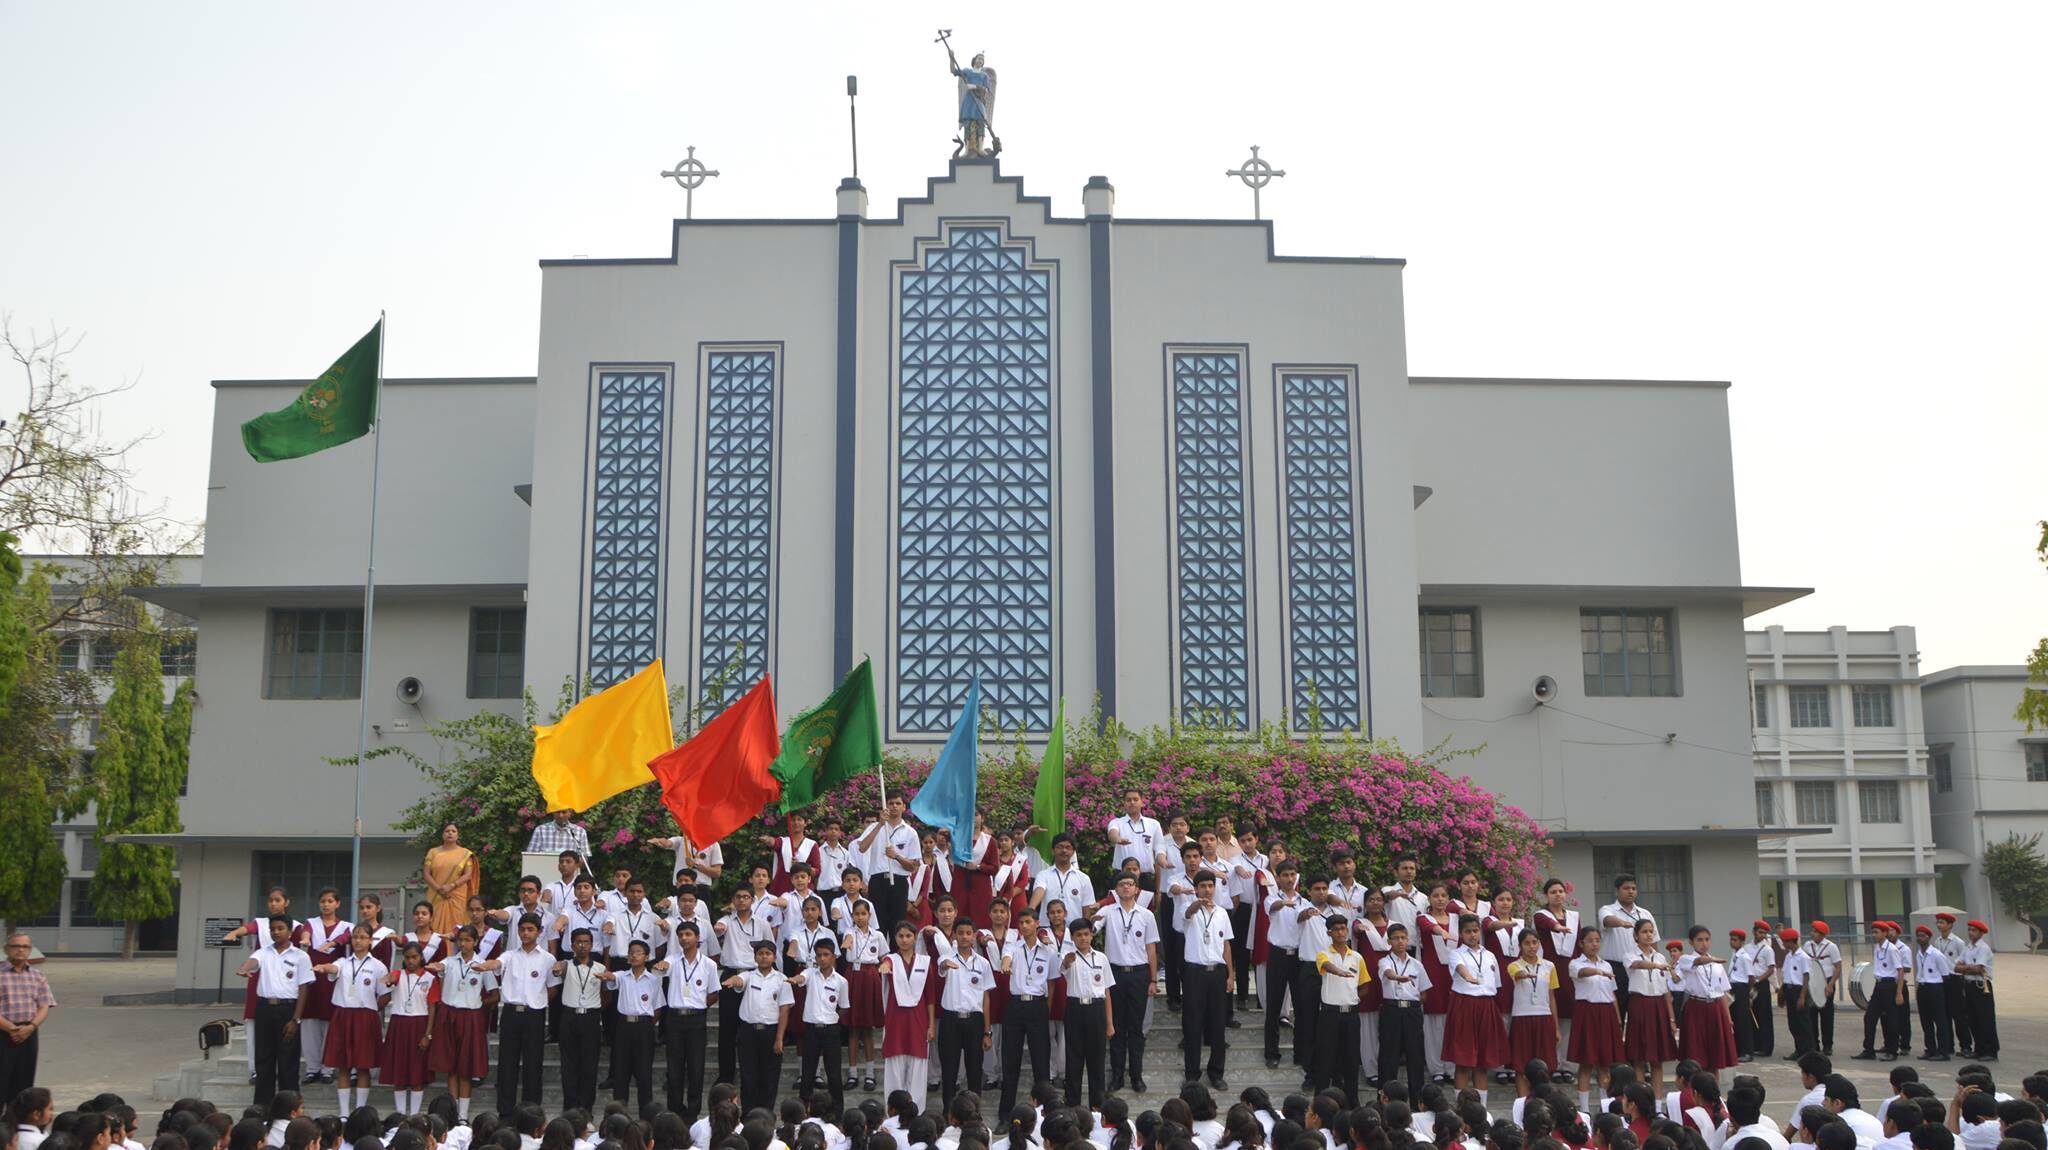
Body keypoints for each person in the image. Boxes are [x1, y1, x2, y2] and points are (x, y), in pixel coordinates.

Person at [476, 912, 556, 1108]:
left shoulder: (548, 959)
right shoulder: (509, 955)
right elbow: (497, 964)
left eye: (530, 929)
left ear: (540, 932)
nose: (526, 933)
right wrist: (486, 965)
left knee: (533, 1064)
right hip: (511, 1013)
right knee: (507, 1063)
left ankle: (531, 1111)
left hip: (534, 1015)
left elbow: (552, 989)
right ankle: (505, 1112)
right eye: (522, 929)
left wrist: (538, 1001)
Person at [311, 923, 388, 1114]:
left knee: (363, 1066)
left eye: (362, 937)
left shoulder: (378, 966)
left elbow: (385, 994)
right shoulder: (343, 962)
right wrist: (323, 967)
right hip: (343, 1015)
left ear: (370, 940)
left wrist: (372, 1009)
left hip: (366, 1017)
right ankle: (344, 1112)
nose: (358, 941)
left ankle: (360, 1110)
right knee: (343, 1065)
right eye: (355, 937)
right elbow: (333, 968)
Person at [237, 916, 313, 1106]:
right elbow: (253, 962)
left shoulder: (300, 956)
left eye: (280, 928)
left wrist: (296, 1019)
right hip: (264, 1009)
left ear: (289, 931)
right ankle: (262, 1108)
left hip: (288, 1010)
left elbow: (304, 988)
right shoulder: (264, 952)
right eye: (272, 929)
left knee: (288, 1063)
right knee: (264, 1061)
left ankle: (290, 1108)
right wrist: (244, 968)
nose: (276, 932)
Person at [425, 926, 494, 1122]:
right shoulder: (449, 962)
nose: (463, 944)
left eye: (467, 940)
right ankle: (452, 1113)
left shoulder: (482, 965)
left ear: (475, 942)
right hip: (449, 1016)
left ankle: (463, 1115)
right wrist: (437, 969)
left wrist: (478, 1005)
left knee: (466, 1068)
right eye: (460, 940)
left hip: (470, 1017)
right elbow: (439, 968)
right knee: (452, 1067)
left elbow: (494, 994)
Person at [1101, 872, 1160, 1095]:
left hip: (1139, 974)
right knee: (1116, 1026)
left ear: (1137, 889)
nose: (1126, 887)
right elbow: (1090, 926)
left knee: (1136, 1028)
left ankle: (1136, 1075)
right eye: (1121, 884)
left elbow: (1151, 949)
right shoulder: (1108, 912)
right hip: (1114, 973)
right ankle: (1116, 1075)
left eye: (1130, 884)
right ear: (1116, 889)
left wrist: (1153, 979)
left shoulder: (1146, 915)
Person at [1180, 870, 1236, 1093]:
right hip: (1195, 972)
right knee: (1193, 1024)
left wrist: (1231, 975)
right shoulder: (1189, 909)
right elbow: (1188, 914)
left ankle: (1216, 1072)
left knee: (1218, 1024)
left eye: (1210, 885)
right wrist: (1197, 904)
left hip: (1217, 972)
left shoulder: (1222, 912)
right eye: (1202, 886)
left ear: (1215, 887)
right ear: (1195, 888)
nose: (1207, 890)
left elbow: (1226, 945)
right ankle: (1192, 1074)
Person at [654, 920, 716, 1120]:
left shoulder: (709, 964)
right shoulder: (672, 960)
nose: (684, 938)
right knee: (674, 1068)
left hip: (696, 1019)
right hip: (674, 1019)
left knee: (696, 1068)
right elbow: (660, 969)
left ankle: (692, 1112)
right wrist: (661, 965)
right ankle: (675, 1110)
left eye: (688, 934)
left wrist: (698, 1007)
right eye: (680, 935)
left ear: (698, 938)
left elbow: (714, 993)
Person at [724, 938, 794, 1115]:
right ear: (755, 957)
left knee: (769, 1077)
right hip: (748, 1032)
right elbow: (739, 980)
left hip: (770, 1033)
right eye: (760, 954)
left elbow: (784, 1010)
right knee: (748, 1076)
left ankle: (765, 1115)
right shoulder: (749, 975)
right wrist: (733, 980)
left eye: (768, 954)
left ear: (774, 957)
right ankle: (748, 1114)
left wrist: (779, 1038)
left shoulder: (782, 979)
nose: (764, 957)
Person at [1443, 914, 1506, 1092]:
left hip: (1486, 1005)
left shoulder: (1490, 956)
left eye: (1475, 931)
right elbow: (1460, 968)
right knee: (1462, 1062)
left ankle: (1482, 1110)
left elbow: (1496, 984)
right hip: (1464, 1005)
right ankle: (1461, 1107)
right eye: (1468, 931)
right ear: (1461, 934)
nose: (1472, 935)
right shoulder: (1456, 954)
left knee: (1482, 1063)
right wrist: (1468, 977)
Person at [601, 939, 663, 1113]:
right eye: (631, 952)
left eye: (638, 952)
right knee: (621, 1072)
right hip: (623, 1026)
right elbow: (612, 977)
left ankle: (646, 1114)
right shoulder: (622, 976)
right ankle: (618, 1115)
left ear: (647, 957)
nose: (634, 955)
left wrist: (647, 1026)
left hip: (644, 1027)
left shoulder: (653, 979)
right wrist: (606, 975)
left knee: (644, 1073)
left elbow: (658, 1007)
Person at [1312, 916, 1368, 1103]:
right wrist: (1340, 972)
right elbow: (1326, 966)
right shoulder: (1324, 954)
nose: (1341, 932)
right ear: (1329, 933)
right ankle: (1320, 1101)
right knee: (1325, 1059)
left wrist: (1355, 997)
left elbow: (1364, 984)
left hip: (1350, 1013)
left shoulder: (1357, 957)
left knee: (1351, 1059)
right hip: (1330, 1013)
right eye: (1336, 929)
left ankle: (1352, 1101)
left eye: (1343, 928)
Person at [883, 922, 937, 1112]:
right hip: (895, 1022)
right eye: (900, 936)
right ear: (895, 938)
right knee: (894, 1073)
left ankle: (916, 1114)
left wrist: (931, 1025)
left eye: (908, 936)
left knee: (917, 1072)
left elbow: (930, 997)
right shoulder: (890, 959)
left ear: (915, 937)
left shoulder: (925, 962)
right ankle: (893, 1114)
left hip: (918, 1021)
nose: (904, 940)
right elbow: (886, 964)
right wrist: (884, 966)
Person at [1061, 919, 1115, 1111]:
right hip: (1075, 1009)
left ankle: (1097, 1106)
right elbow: (1064, 969)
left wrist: (1109, 1023)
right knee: (1074, 1060)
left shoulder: (1101, 958)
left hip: (1096, 1010)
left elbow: (1107, 991)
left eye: (1086, 934)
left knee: (1097, 1060)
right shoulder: (1068, 957)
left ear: (1092, 935)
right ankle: (1073, 1105)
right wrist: (1067, 961)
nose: (1083, 938)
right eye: (1078, 935)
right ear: (1072, 937)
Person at [1568, 927, 1622, 1115]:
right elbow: (1581, 973)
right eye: (1590, 940)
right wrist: (1597, 972)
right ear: (1582, 943)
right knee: (1586, 1063)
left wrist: (1617, 1019)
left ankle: (1605, 1108)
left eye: (1597, 940)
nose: (1594, 944)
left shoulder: (1607, 965)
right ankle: (1583, 1111)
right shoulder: (1576, 964)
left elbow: (1612, 994)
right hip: (1587, 1013)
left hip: (1606, 1012)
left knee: (1606, 1064)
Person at [796, 937, 852, 1114]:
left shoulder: (841, 981)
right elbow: (801, 978)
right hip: (812, 1029)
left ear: (834, 956)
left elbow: (843, 1007)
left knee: (834, 1074)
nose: (822, 959)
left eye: (826, 955)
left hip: (831, 1030)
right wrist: (795, 979)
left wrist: (831, 1017)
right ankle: (803, 1111)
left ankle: (837, 1112)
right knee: (807, 1073)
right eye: (819, 955)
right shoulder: (810, 974)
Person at [1622, 920, 1678, 1093]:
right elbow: (1637, 965)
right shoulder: (1630, 955)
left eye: (1651, 931)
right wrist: (1655, 966)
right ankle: (1640, 1099)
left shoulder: (1660, 957)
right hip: (1639, 1004)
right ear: (1635, 936)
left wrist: (1671, 1018)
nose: (1648, 935)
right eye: (1644, 931)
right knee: (1638, 1057)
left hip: (1658, 1006)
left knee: (1657, 1058)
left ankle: (1657, 1102)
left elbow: (1666, 992)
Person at [1674, 926, 1737, 1074]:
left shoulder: (1717, 966)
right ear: (1691, 942)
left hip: (1715, 1009)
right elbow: (1699, 961)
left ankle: (1713, 1093)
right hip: (1696, 1007)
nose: (1704, 943)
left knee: (1715, 1057)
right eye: (1699, 940)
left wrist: (1728, 1019)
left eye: (1707, 939)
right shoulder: (1686, 959)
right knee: (1696, 1054)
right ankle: (1696, 1091)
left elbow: (1721, 993)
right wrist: (1712, 959)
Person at [1378, 922, 1431, 1097]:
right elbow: (1387, 973)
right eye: (1396, 938)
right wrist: (1398, 978)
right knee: (1389, 1055)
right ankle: (1386, 1098)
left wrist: (1413, 1006)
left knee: (1415, 1055)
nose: (1400, 941)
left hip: (1412, 1011)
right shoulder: (1384, 961)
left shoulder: (1417, 965)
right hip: (1392, 1010)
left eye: (1403, 937)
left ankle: (1417, 1100)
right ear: (1389, 941)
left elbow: (1423, 993)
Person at [1506, 929, 1560, 1098]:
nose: (1531, 946)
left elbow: (1551, 997)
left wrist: (1556, 1027)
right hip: (1522, 1019)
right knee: (1521, 1066)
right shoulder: (1514, 965)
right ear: (1520, 946)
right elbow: (1517, 975)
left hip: (1544, 1018)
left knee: (1545, 1065)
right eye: (1527, 943)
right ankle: (1522, 1104)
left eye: (1534, 942)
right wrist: (1524, 974)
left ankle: (1543, 1103)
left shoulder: (1549, 966)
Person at [858, 798, 921, 940]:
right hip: (878, 881)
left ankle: (895, 958)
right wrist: (880, 824)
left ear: (904, 807)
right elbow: (862, 847)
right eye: (891, 803)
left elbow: (913, 866)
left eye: (898, 803)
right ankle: (879, 958)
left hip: (899, 881)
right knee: (877, 923)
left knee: (897, 924)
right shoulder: (874, 827)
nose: (894, 806)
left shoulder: (910, 832)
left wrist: (896, 856)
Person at [0, 936, 53, 1103]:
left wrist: (31, 1027)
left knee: (24, 1082)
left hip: (29, 1033)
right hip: (3, 1033)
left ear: (30, 950)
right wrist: (11, 1029)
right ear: (6, 949)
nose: (20, 949)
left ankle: (16, 1123)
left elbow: (44, 1006)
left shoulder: (37, 976)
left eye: (25, 946)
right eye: (16, 946)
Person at [842, 900, 887, 1093]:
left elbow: (885, 955)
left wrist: (885, 966)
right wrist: (847, 943)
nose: (860, 917)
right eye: (856, 914)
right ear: (852, 916)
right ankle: (852, 1074)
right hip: (853, 976)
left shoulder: (877, 935)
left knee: (867, 1030)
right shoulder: (848, 932)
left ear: (870, 915)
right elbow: (847, 944)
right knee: (853, 1030)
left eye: (863, 914)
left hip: (870, 976)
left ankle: (869, 1074)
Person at [1599, 877, 1657, 1022]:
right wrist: (1622, 923)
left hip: (1642, 968)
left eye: (1633, 888)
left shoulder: (1645, 914)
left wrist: (1656, 963)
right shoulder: (1607, 910)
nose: (1630, 891)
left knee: (1641, 1012)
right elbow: (1607, 921)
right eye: (1626, 888)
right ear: (1617, 891)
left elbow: (1654, 942)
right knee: (1618, 1011)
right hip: (1617, 968)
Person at [1855, 923, 1904, 1062]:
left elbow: (1900, 970)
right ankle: (1868, 1049)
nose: (1874, 935)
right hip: (1879, 985)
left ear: (1884, 933)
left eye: (1876, 932)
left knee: (1891, 1019)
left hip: (1889, 985)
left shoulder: (1892, 949)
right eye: (1873, 932)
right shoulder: (1877, 947)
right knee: (1869, 1017)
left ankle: (1892, 1050)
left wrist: (1899, 992)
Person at [1952, 922, 1996, 1061]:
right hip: (1969, 984)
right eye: (1969, 930)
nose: (1971, 932)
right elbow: (1956, 967)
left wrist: (1965, 967)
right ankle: (1979, 1049)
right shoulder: (1968, 947)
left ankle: (1990, 1051)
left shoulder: (1983, 948)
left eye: (1974, 930)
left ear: (1981, 933)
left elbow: (1979, 969)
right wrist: (1968, 967)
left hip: (1981, 985)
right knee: (1973, 1018)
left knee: (1985, 1019)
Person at [424, 825, 479, 936]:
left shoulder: (465, 854)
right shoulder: (433, 852)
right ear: (442, 834)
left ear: (457, 835)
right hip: (436, 895)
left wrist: (452, 885)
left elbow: (468, 875)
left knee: (457, 927)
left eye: (453, 831)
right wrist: (439, 889)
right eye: (447, 831)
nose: (450, 833)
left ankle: (455, 951)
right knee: (434, 924)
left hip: (457, 896)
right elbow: (426, 874)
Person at [1930, 915, 1971, 1058]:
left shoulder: (1958, 942)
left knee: (1959, 1014)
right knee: (1944, 1014)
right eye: (1938, 922)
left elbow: (1964, 962)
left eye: (1942, 922)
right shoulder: (1937, 941)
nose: (1939, 925)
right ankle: (1948, 1045)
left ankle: (1966, 1046)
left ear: (1950, 925)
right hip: (1942, 980)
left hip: (1955, 979)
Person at [1911, 929, 1952, 1062]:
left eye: (1923, 936)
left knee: (1940, 1021)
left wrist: (1937, 989)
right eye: (1918, 936)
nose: (1920, 939)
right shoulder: (1919, 954)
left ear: (1929, 937)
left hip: (1935, 988)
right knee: (1926, 1021)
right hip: (1922, 988)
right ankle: (1930, 1049)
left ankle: (1943, 1051)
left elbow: (1945, 975)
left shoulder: (1936, 954)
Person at [1802, 922, 1842, 1057]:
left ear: (1822, 934)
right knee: (1811, 1015)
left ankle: (1828, 1045)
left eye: (1815, 931)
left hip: (1826, 983)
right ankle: (1814, 1044)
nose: (1811, 933)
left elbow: (1838, 967)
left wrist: (1831, 985)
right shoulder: (1807, 946)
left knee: (1826, 1016)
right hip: (1812, 985)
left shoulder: (1831, 947)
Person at [1777, 929, 1814, 1058]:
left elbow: (1806, 977)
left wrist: (1802, 996)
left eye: (1784, 942)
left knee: (1803, 1023)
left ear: (1790, 941)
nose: (1783, 944)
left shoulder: (1803, 957)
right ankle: (1799, 1050)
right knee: (1793, 1024)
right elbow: (1786, 975)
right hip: (1789, 989)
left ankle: (1808, 1052)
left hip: (1799, 990)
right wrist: (1782, 992)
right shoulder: (1788, 956)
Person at [1747, 919, 1779, 1060]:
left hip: (1761, 983)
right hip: (1750, 984)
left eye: (1765, 933)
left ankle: (1766, 1048)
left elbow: (1771, 969)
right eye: (1760, 932)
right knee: (1752, 1015)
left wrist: (1759, 979)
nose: (1762, 935)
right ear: (1754, 931)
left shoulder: (1767, 949)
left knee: (1764, 1016)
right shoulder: (1747, 948)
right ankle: (1755, 1045)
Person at [526, 809, 593, 865]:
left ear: (570, 813)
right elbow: (529, 857)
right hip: (544, 875)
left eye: (564, 812)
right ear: (553, 812)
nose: (560, 815)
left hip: (570, 878)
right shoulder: (541, 830)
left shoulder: (579, 832)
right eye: (558, 812)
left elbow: (584, 859)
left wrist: (574, 862)